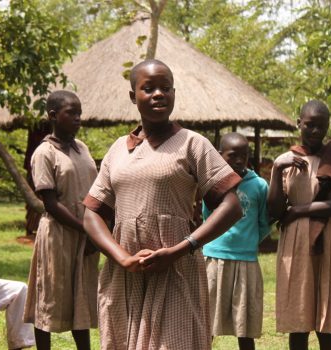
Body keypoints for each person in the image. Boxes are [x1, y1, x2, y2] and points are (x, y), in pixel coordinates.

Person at [82, 59, 243, 350]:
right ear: (133, 96)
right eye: (149, 88)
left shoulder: (193, 144)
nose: (158, 94)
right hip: (124, 275)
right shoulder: (118, 150)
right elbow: (92, 213)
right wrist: (123, 258)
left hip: (176, 270)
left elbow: (232, 206)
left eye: (166, 88)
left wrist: (182, 249)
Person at [267, 100, 331, 350]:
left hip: (329, 236)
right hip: (295, 242)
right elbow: (275, 211)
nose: (315, 131)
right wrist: (277, 171)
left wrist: (298, 210)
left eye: (321, 126)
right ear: (299, 123)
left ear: (328, 125)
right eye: (309, 125)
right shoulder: (285, 160)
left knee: (326, 318)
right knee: (299, 317)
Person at [23, 90, 99, 350]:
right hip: (58, 235)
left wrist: (95, 230)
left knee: (81, 297)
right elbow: (50, 203)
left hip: (86, 234)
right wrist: (86, 230)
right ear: (53, 116)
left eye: (79, 113)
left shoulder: (83, 149)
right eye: (71, 113)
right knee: (50, 297)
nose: (78, 118)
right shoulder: (44, 153)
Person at [202, 132, 271, 350]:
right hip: (214, 259)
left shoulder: (259, 185)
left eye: (244, 155)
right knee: (206, 323)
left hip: (246, 262)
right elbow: (207, 218)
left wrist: (248, 242)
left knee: (245, 326)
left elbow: (263, 222)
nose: (240, 160)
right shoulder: (212, 184)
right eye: (233, 155)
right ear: (220, 155)